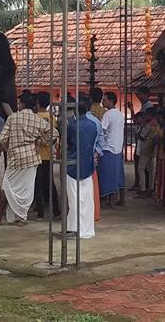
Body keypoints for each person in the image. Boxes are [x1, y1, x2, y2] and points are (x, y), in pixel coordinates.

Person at [0, 92, 56, 226]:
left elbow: (1, 138)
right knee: (26, 189)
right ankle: (21, 218)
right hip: (31, 158)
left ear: (23, 104)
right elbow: (54, 133)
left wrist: (8, 148)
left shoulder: (12, 118)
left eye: (19, 103)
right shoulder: (37, 119)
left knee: (7, 187)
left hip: (14, 159)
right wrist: (39, 142)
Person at [66, 96, 97, 239]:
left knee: (74, 199)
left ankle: (74, 228)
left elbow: (67, 143)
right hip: (88, 165)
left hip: (73, 165)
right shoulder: (93, 125)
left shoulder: (72, 125)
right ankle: (87, 229)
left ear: (75, 110)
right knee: (87, 199)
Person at [34, 91, 60, 219]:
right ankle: (56, 210)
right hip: (49, 154)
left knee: (37, 184)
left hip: (37, 154)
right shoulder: (52, 118)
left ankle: (40, 212)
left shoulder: (34, 118)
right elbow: (54, 136)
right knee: (50, 183)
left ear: (37, 103)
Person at [98, 92, 126, 207]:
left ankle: (110, 200)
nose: (102, 102)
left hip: (108, 147)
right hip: (118, 147)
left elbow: (102, 130)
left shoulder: (108, 114)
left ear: (111, 101)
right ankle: (122, 198)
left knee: (107, 174)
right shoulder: (120, 114)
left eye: (104, 100)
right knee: (119, 174)